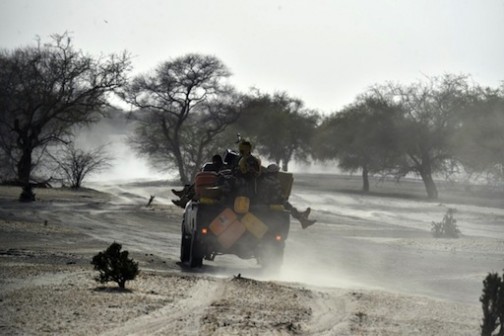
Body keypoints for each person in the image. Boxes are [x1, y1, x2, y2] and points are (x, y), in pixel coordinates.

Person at [258, 163, 316, 229]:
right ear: (275, 172)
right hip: (269, 203)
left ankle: (301, 217)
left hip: (263, 202)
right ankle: (301, 218)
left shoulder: (263, 179)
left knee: (288, 206)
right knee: (287, 206)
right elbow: (279, 196)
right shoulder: (273, 181)